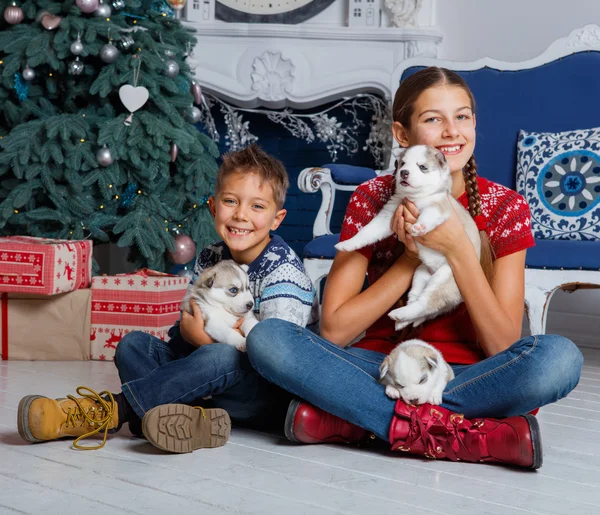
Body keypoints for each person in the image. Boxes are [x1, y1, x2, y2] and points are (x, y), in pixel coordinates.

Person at [244, 67, 584, 470]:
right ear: (402, 136)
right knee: (268, 338)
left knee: (559, 358)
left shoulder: (506, 207)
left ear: (475, 123)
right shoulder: (372, 199)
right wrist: (410, 258)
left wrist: (459, 251)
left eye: (462, 116)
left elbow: (502, 344)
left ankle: (354, 421)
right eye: (433, 119)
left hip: (467, 376)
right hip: (380, 370)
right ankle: (463, 435)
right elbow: (335, 331)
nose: (452, 131)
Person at [17, 144, 318, 453]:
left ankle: (111, 411)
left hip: (259, 394)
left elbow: (280, 362)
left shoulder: (283, 272)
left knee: (221, 356)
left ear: (276, 218)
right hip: (204, 380)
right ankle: (187, 418)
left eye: (257, 206)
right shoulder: (211, 256)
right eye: (231, 201)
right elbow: (186, 324)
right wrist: (189, 336)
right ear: (214, 208)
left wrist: (202, 340)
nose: (241, 214)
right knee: (133, 344)